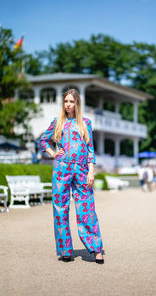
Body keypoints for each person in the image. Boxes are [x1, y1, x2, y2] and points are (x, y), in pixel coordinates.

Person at [39, 89, 104, 264]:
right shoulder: (57, 122)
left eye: (71, 101)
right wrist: (53, 153)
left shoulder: (85, 123)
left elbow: (90, 149)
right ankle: (65, 250)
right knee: (60, 209)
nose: (68, 104)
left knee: (86, 209)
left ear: (77, 103)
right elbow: (43, 140)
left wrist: (91, 171)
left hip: (82, 171)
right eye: (66, 101)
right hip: (61, 170)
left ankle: (96, 249)